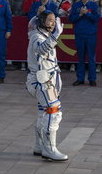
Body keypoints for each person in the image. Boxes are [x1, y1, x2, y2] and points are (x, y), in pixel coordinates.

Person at [26, 11, 67, 161]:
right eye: (49, 20)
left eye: (53, 21)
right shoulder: (37, 37)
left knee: (43, 112)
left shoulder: (44, 36)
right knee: (53, 112)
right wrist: (56, 35)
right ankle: (50, 149)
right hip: (41, 80)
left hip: (47, 79)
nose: (52, 23)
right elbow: (41, 49)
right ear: (42, 21)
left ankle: (39, 145)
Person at [69, 0, 100, 86]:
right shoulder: (76, 5)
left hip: (91, 34)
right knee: (80, 57)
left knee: (91, 57)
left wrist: (87, 14)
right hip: (79, 34)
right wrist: (80, 15)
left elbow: (97, 18)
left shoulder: (94, 5)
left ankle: (92, 78)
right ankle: (80, 78)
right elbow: (71, 19)